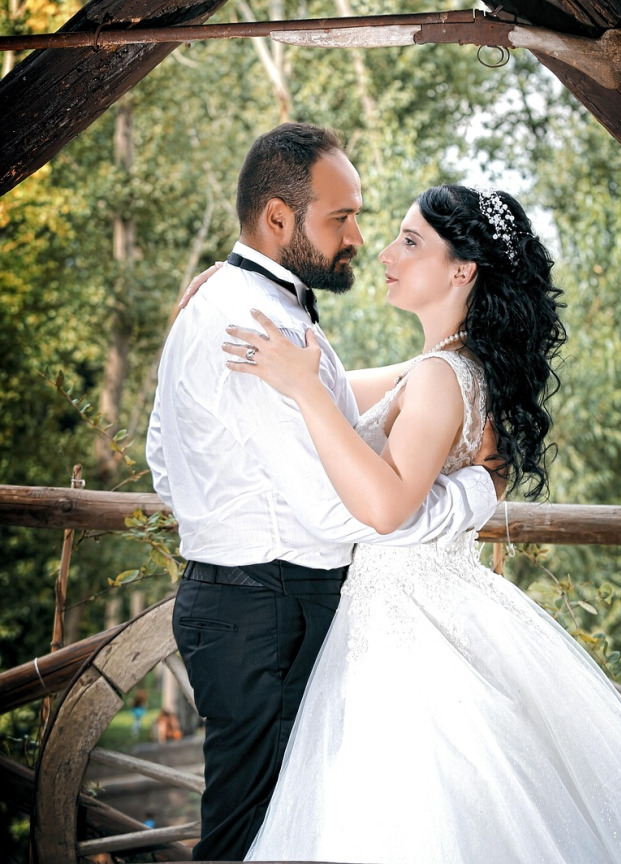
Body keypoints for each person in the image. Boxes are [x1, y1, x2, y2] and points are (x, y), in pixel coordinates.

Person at [223, 183, 621, 864]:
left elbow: (384, 505)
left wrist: (300, 390)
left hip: (407, 629)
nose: (384, 253)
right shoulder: (450, 367)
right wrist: (244, 288)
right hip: (429, 606)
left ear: (461, 269)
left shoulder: (443, 376)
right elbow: (342, 386)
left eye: (409, 241)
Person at [145, 123, 500, 861]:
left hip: (242, 600)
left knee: (285, 826)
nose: (360, 239)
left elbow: (164, 463)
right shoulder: (254, 321)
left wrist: (443, 378)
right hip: (269, 609)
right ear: (278, 218)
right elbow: (349, 511)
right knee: (258, 837)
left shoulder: (248, 306)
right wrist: (474, 494)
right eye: (342, 218)